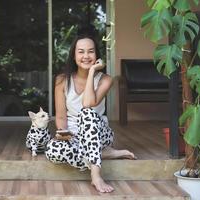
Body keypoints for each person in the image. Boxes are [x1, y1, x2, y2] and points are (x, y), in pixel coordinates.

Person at [45, 27, 135, 193]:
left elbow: (88, 103)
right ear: (74, 56)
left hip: (99, 133)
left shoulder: (105, 80)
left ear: (96, 55)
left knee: (86, 113)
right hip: (74, 136)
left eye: (90, 52)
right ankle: (105, 154)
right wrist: (62, 133)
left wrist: (92, 71)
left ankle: (96, 174)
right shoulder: (62, 80)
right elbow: (61, 116)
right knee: (52, 150)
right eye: (81, 52)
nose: (86, 56)